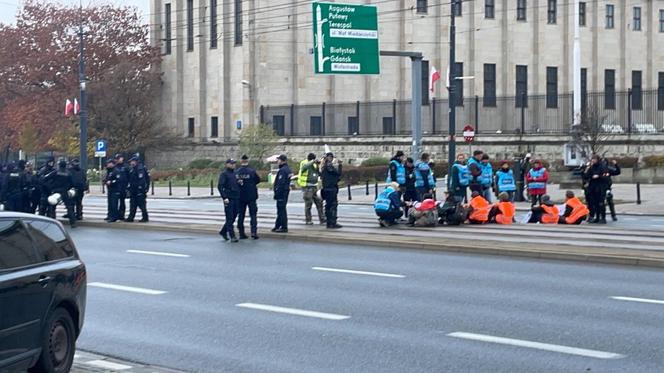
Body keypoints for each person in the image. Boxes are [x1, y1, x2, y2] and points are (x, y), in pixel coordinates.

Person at [236, 155, 261, 239]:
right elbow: (258, 180)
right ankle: (253, 232)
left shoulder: (237, 172)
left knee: (241, 215)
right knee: (253, 215)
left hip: (240, 196)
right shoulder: (252, 171)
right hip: (251, 196)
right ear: (247, 161)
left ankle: (241, 233)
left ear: (241, 161)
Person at [297, 153, 325, 225]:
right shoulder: (304, 162)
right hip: (307, 186)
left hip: (314, 186)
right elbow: (304, 167)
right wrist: (313, 162)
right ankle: (308, 220)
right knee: (308, 204)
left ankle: (322, 218)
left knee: (319, 203)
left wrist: (320, 164)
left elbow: (318, 173)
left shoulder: (315, 164)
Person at [48, 160, 76, 228]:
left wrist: (51, 186)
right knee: (69, 207)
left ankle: (53, 222)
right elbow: (72, 183)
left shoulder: (55, 172)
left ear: (59, 165)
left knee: (52, 207)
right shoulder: (68, 173)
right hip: (64, 192)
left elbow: (46, 178)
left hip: (55, 191)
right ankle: (72, 223)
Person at [218, 159, 240, 242]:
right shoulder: (224, 174)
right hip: (229, 198)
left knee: (234, 215)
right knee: (229, 217)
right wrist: (224, 197)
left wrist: (239, 183)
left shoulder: (235, 173)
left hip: (236, 197)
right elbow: (220, 186)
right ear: (227, 164)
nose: (233, 165)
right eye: (231, 164)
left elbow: (236, 183)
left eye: (234, 163)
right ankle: (232, 236)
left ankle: (223, 231)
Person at [320, 152, 342, 229]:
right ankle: (332, 222)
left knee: (328, 206)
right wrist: (339, 165)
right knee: (332, 205)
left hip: (327, 188)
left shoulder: (323, 167)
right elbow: (337, 174)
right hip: (331, 189)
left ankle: (330, 222)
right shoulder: (328, 166)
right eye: (331, 157)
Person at [584, 155, 609, 224]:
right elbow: (586, 176)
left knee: (601, 203)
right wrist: (587, 169)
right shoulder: (591, 167)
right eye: (592, 159)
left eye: (594, 159)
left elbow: (606, 176)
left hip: (600, 187)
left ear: (597, 160)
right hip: (593, 187)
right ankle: (597, 217)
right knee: (595, 203)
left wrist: (599, 176)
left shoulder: (602, 166)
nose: (593, 161)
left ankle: (603, 218)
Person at [126, 156, 150, 223]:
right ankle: (130, 217)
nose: (131, 163)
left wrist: (141, 189)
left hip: (139, 190)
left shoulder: (140, 169)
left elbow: (141, 180)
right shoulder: (133, 168)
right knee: (132, 205)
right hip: (133, 190)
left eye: (132, 161)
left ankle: (145, 217)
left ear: (136, 161)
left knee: (142, 205)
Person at [272, 154, 292, 233]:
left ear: (282, 160)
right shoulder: (288, 169)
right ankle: (277, 225)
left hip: (282, 192)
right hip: (285, 191)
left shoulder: (283, 170)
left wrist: (277, 193)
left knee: (281, 210)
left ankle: (283, 226)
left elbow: (280, 183)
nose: (277, 161)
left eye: (279, 160)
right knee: (281, 209)